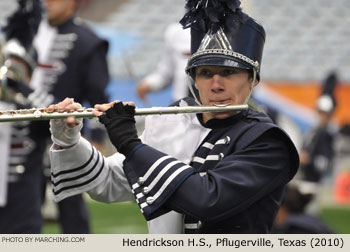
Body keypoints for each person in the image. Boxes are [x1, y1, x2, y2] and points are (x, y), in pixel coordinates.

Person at [47, 0, 299, 233]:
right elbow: (107, 182)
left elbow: (207, 200)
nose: (216, 84)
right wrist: (68, 137)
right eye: (206, 72)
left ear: (252, 78)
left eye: (229, 72)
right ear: (193, 79)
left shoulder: (267, 142)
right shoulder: (172, 122)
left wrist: (131, 145)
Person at [29, 0, 110, 233]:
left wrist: (96, 136)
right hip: (25, 138)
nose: (48, 2)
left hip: (66, 138)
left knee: (72, 212)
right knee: (22, 210)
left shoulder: (88, 40)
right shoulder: (30, 33)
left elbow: (97, 95)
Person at [0, 0, 44, 233]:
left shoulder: (36, 99)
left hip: (23, 203)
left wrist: (22, 91)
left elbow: (53, 118)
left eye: (17, 65)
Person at [299, 72, 339, 183]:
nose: (321, 115)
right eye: (320, 112)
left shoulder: (329, 134)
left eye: (324, 113)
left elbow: (326, 163)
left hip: (316, 182)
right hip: (305, 177)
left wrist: (308, 161)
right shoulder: (314, 130)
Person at [136, 22, 191, 103]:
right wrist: (149, 84)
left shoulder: (214, 30)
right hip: (180, 107)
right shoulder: (176, 32)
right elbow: (165, 74)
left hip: (209, 106)